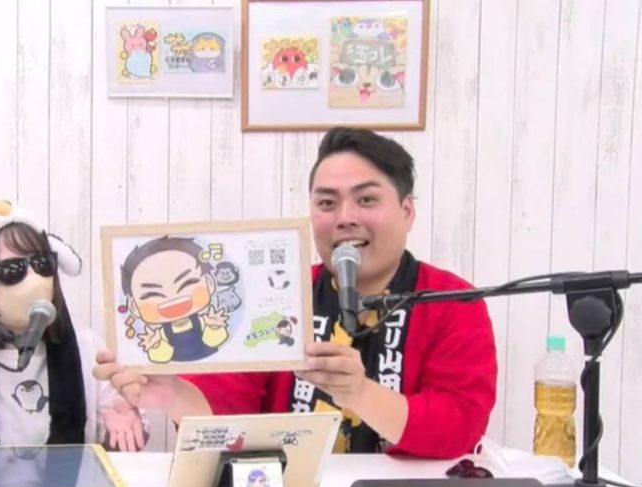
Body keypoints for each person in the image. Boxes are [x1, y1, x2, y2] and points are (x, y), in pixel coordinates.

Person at [94, 127, 498, 459]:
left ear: (407, 212)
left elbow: (459, 428)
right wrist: (173, 394)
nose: (345, 218)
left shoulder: (452, 301)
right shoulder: (279, 293)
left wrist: (359, 393)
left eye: (367, 199)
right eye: (327, 203)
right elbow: (228, 419)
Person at [0, 200, 147, 483]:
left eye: (43, 265)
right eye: (13, 270)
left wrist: (121, 429)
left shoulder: (86, 347)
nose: (36, 281)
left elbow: (118, 448)